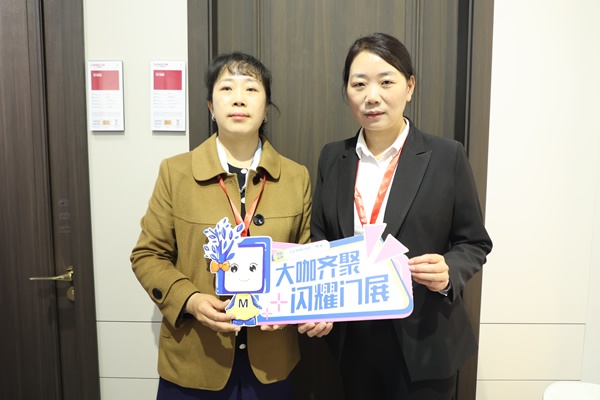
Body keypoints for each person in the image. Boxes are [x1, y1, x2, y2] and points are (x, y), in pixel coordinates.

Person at [131, 52, 332, 399]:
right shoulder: (176, 173)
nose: (239, 98)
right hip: (195, 360)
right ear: (211, 106)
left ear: (266, 109)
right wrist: (190, 300)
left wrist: (306, 308)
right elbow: (147, 255)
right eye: (227, 88)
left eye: (251, 88)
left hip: (271, 363)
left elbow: (305, 259)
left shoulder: (295, 177)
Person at [310, 33, 493, 400]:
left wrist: (449, 270)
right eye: (359, 84)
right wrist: (318, 300)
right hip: (353, 339)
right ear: (347, 91)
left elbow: (474, 242)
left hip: (424, 340)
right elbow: (320, 237)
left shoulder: (447, 156)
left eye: (386, 82)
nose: (371, 96)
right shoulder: (333, 157)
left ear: (409, 87)